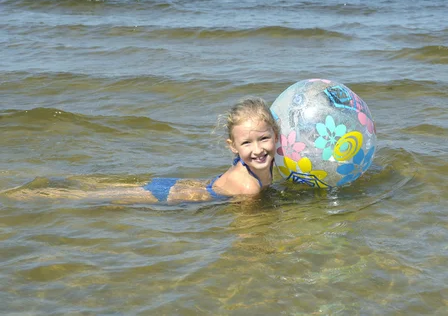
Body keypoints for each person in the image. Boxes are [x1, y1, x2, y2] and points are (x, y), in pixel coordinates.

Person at [4, 97, 281, 204]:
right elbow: (247, 234)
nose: (257, 149)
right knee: (90, 197)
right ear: (232, 146)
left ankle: (41, 187)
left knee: (94, 189)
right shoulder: (249, 187)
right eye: (246, 143)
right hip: (169, 196)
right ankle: (24, 193)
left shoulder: (263, 165)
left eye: (264, 139)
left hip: (189, 185)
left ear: (276, 136)